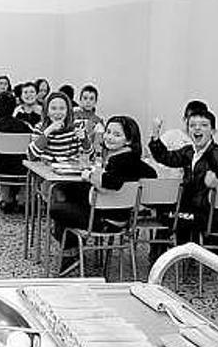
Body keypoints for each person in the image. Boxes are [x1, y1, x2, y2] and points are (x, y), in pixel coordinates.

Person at [52, 116, 157, 270]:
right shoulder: (134, 159)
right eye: (108, 132)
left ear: (128, 140)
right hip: (124, 218)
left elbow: (110, 183)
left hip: (104, 220)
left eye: (117, 135)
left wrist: (89, 175)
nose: (109, 137)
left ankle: (70, 251)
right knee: (65, 190)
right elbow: (152, 175)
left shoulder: (118, 161)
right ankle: (71, 248)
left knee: (56, 206)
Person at [148, 109, 218, 261]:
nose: (197, 128)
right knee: (166, 213)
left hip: (215, 216)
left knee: (173, 219)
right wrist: (155, 137)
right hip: (196, 210)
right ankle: (173, 256)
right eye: (192, 125)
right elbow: (166, 157)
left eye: (203, 125)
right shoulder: (189, 152)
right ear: (188, 130)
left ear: (213, 130)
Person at [28, 91, 90, 162]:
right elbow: (31, 155)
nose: (58, 113)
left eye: (62, 108)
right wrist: (47, 132)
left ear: (67, 111)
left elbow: (90, 155)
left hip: (69, 169)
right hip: (45, 170)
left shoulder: (77, 126)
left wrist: (84, 139)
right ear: (47, 112)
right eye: (53, 108)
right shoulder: (40, 128)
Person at [74, 84, 105, 155]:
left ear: (95, 102)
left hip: (87, 154)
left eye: (91, 99)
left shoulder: (98, 122)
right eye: (85, 98)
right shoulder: (71, 116)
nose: (88, 101)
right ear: (80, 100)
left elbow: (97, 145)